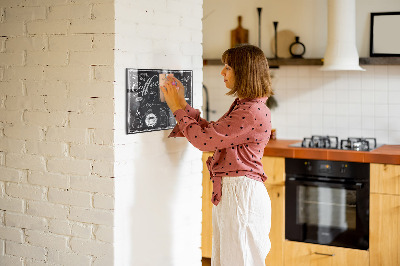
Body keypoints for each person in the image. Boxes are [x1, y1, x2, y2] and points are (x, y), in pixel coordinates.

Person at [161, 44, 273, 266]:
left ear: (244, 72)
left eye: (228, 67)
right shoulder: (246, 106)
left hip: (241, 195)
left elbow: (204, 141)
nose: (222, 72)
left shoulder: (250, 111)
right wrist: (182, 103)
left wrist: (176, 108)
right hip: (236, 193)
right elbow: (212, 133)